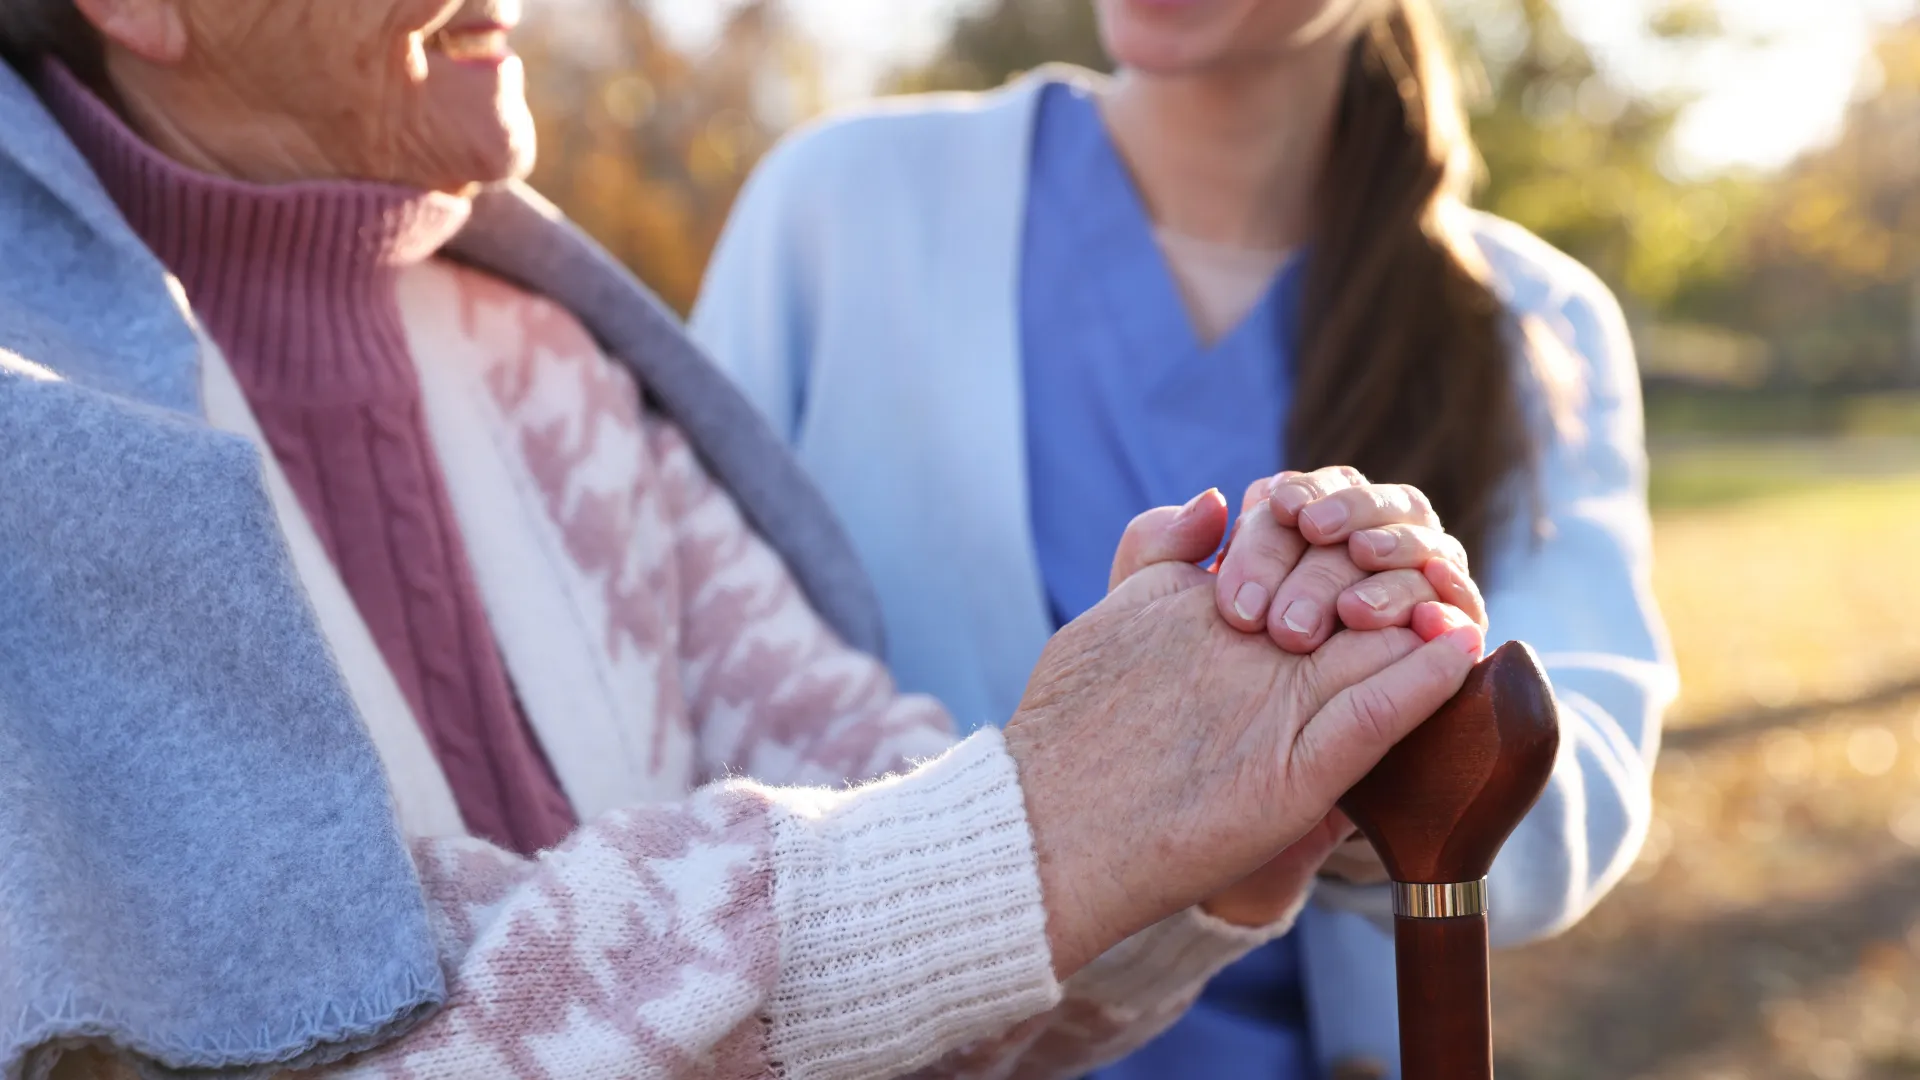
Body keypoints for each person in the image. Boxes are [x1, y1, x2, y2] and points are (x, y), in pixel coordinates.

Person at [0, 2, 1498, 1078]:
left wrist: (1207, 799)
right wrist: (1056, 817)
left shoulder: (558, 364)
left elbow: (905, 872)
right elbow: (296, 1043)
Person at [692, 0, 1680, 1076]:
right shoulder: (841, 207)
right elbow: (664, 667)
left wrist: (1390, 730)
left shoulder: (1531, 321)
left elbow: (1579, 767)